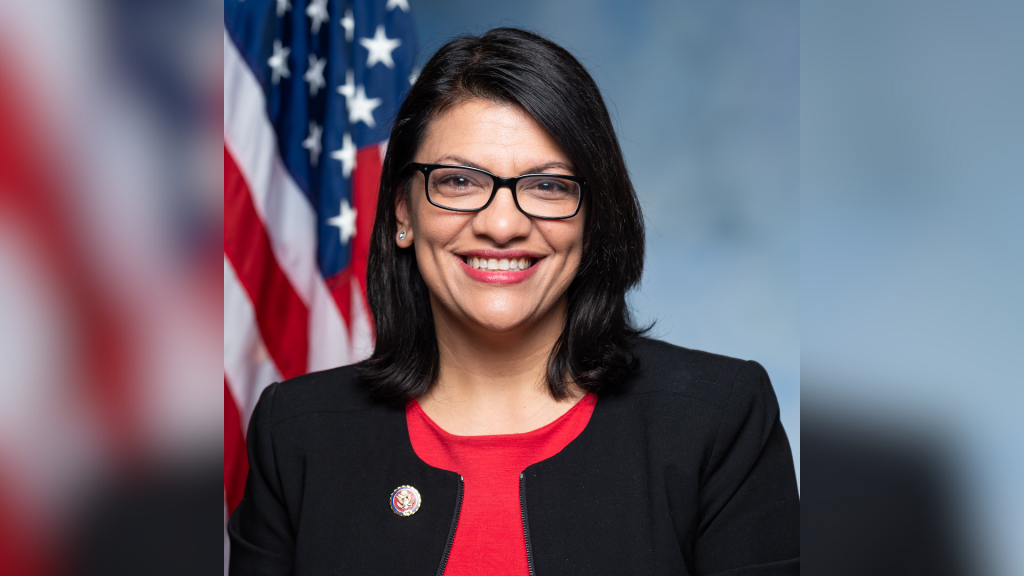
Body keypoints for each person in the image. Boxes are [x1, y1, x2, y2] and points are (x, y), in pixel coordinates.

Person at [228, 28, 799, 575]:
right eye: (458, 182)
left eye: (548, 186)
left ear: (593, 218)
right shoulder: (296, 434)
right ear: (403, 212)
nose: (502, 225)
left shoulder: (717, 419)